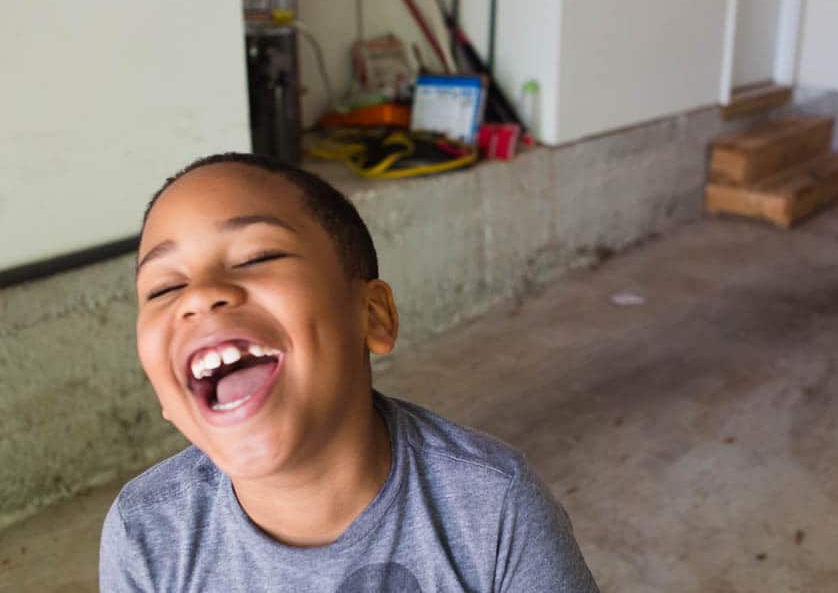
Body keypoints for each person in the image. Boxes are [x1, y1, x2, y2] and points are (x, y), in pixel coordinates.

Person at [99, 152, 599, 592]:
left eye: (257, 256)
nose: (200, 294)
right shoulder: (145, 531)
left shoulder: (493, 509)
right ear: (166, 393)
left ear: (373, 316)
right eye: (163, 288)